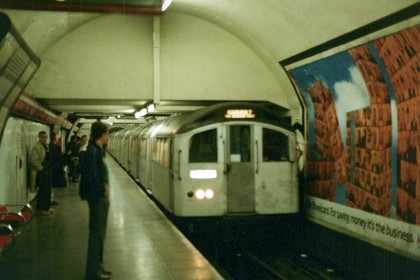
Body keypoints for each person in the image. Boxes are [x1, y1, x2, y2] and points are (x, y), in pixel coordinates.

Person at [79, 122, 111, 280]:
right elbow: (92, 178)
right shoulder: (93, 152)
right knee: (96, 236)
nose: (108, 136)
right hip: (98, 199)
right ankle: (93, 273)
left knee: (99, 235)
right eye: (107, 133)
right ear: (103, 134)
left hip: (99, 198)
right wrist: (102, 192)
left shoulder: (96, 150)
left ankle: (98, 267)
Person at [30, 131, 53, 215]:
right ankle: (41, 209)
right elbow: (33, 160)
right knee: (42, 190)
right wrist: (41, 168)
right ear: (39, 137)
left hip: (47, 171)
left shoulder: (46, 146)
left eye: (46, 137)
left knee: (48, 190)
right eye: (42, 137)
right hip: (41, 172)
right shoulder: (36, 147)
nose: (44, 138)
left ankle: (47, 207)